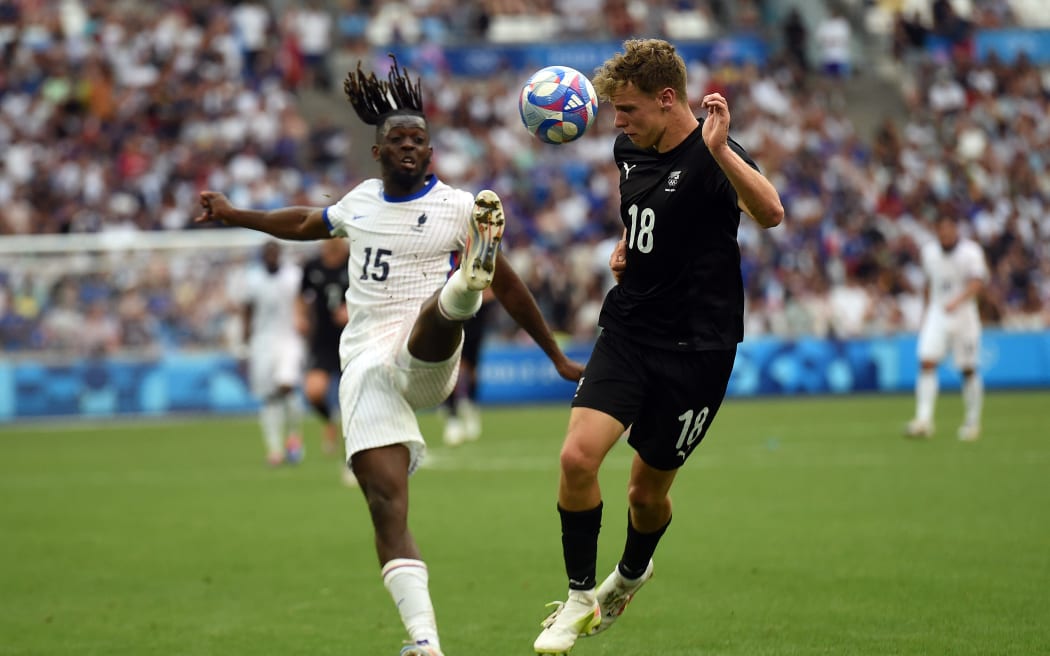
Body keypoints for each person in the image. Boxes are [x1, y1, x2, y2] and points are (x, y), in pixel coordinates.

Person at [196, 56, 583, 656]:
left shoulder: (459, 208)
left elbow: (510, 286)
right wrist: (233, 214)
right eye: (398, 140)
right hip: (368, 372)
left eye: (419, 141)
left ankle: (461, 287)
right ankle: (425, 642)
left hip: (427, 359)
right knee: (385, 507)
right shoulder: (359, 204)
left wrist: (555, 356)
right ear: (377, 152)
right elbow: (303, 220)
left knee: (443, 307)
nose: (410, 146)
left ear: (431, 152)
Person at [532, 38, 783, 655]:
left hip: (699, 347)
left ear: (667, 100)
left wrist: (721, 151)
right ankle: (579, 595)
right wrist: (629, 246)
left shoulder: (716, 155)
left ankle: (634, 572)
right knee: (576, 460)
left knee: (647, 495)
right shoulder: (629, 150)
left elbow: (772, 213)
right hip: (629, 328)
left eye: (629, 110)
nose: (617, 123)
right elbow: (643, 211)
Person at [905, 215, 988, 441]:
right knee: (926, 361)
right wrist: (925, 315)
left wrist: (958, 300)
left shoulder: (971, 252)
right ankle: (924, 420)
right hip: (938, 312)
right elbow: (928, 283)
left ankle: (972, 421)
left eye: (949, 230)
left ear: (956, 231)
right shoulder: (929, 253)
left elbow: (977, 283)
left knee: (967, 368)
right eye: (941, 231)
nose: (945, 235)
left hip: (964, 314)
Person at [239, 240, 306, 466]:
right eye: (267, 254)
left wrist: (306, 327)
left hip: (289, 339)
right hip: (262, 341)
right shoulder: (252, 278)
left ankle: (294, 437)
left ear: (280, 255)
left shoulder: (294, 276)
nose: (271, 257)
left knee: (287, 385)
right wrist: (245, 341)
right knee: (269, 396)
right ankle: (274, 449)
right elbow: (247, 310)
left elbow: (304, 304)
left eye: (274, 253)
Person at [297, 238, 350, 456]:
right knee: (314, 392)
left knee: (353, 394)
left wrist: (352, 309)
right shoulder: (313, 266)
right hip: (322, 341)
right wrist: (299, 316)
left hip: (352, 338)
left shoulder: (355, 262)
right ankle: (329, 421)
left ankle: (354, 442)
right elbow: (301, 296)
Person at [440, 292, 492, 446]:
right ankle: (452, 416)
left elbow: (492, 290)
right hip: (453, 314)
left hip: (475, 317)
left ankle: (470, 407)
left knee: (472, 369)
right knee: (451, 366)